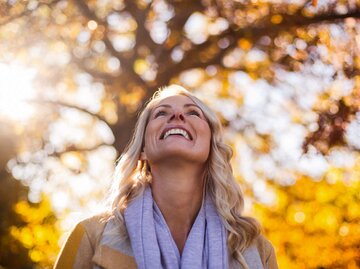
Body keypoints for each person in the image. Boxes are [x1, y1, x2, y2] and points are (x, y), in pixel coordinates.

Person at [54, 84, 278, 269]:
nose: (177, 115)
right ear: (142, 149)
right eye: (161, 113)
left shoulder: (254, 249)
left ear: (212, 147)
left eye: (192, 112)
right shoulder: (92, 236)